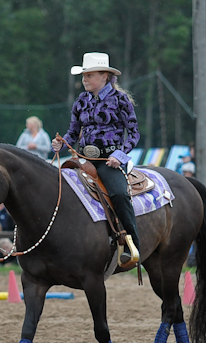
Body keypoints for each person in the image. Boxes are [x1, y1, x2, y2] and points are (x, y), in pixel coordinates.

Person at [52, 52, 140, 267]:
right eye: (83, 76)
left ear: (104, 76)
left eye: (89, 75)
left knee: (119, 194)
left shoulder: (121, 100)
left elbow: (134, 133)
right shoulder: (80, 101)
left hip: (110, 160)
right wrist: (62, 143)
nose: (84, 80)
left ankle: (133, 244)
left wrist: (119, 156)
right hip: (83, 158)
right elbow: (73, 132)